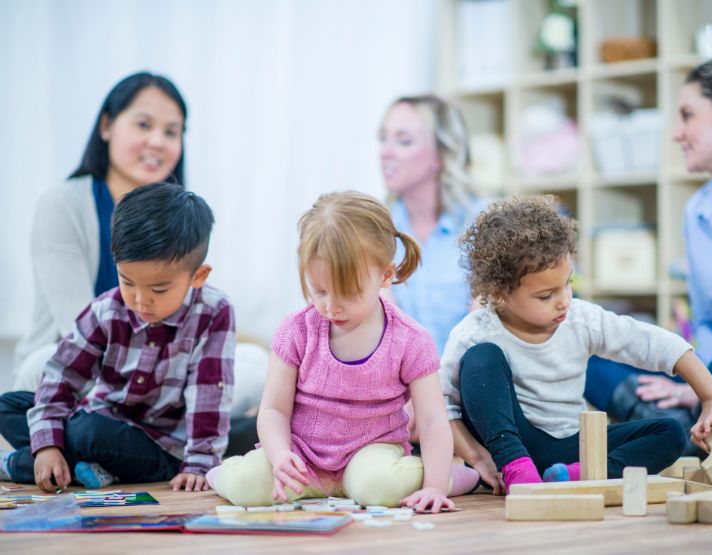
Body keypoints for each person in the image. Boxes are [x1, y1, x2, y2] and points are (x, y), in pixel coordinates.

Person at [10, 71, 264, 433]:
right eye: (144, 125)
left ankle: (134, 432)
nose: (157, 141)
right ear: (106, 126)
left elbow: (194, 314)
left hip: (160, 376)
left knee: (256, 363)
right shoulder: (63, 205)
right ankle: (149, 432)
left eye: (171, 132)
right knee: (40, 364)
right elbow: (76, 328)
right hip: (89, 369)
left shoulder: (180, 216)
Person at [206, 191, 478, 511]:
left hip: (371, 455)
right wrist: (280, 455)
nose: (331, 306)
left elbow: (433, 421)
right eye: (319, 291)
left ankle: (448, 477)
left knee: (378, 486)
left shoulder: (411, 340)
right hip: (302, 456)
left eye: (348, 293)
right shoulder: (297, 330)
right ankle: (226, 475)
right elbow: (274, 410)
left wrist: (433, 486)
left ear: (385, 276)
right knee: (244, 484)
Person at [440, 196, 712, 492]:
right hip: (509, 446)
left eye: (568, 284)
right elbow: (443, 405)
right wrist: (479, 458)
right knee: (481, 358)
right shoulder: (474, 332)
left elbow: (651, 343)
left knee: (669, 432)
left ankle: (582, 475)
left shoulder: (582, 319)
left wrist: (710, 396)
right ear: (500, 293)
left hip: (573, 447)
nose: (564, 301)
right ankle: (518, 468)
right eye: (546, 296)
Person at [586, 56, 712, 459]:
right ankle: (709, 433)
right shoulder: (697, 212)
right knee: (583, 353)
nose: (676, 133)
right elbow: (704, 321)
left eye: (688, 116)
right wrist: (691, 382)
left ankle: (679, 430)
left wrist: (702, 384)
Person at [0, 183, 234, 493]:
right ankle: (77, 467)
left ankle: (17, 465)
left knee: (86, 432)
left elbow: (208, 396)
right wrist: (46, 447)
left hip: (159, 446)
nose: (140, 300)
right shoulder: (106, 309)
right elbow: (62, 376)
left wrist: (200, 463)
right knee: (9, 405)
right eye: (128, 282)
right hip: (103, 417)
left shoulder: (214, 312)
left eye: (159, 289)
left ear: (198, 276)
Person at [380, 95, 483, 356]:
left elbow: (483, 333)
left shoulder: (487, 224)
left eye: (403, 141)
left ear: (441, 154)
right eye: (383, 138)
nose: (385, 152)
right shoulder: (373, 232)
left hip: (468, 384)